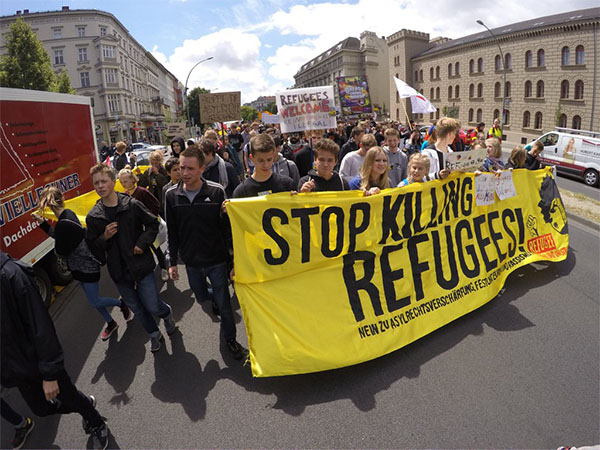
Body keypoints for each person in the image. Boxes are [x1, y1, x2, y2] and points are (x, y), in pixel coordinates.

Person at [1, 250, 109, 449]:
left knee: (69, 397)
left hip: (40, 363)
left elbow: (40, 326)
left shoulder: (12, 275)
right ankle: (84, 404)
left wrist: (50, 373)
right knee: (41, 409)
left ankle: (95, 421)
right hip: (18, 369)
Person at [164, 146, 244, 360]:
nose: (185, 173)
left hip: (217, 261)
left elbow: (228, 228)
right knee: (201, 297)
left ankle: (230, 340)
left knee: (225, 306)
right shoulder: (171, 195)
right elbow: (172, 231)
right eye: (182, 168)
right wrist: (172, 262)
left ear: (202, 168)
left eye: (190, 168)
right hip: (191, 263)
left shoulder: (217, 191)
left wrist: (234, 257)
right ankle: (215, 299)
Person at [86, 164, 176, 352]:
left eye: (103, 181)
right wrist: (105, 237)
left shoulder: (131, 204)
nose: (100, 186)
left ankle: (166, 313)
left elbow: (153, 224)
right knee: (137, 308)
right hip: (119, 272)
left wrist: (142, 244)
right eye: (96, 183)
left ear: (113, 182)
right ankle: (154, 334)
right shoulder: (94, 216)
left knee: (153, 305)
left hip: (140, 265)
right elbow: (93, 246)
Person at [32, 187, 132, 341]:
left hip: (87, 269)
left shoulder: (63, 224)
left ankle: (121, 303)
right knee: (94, 301)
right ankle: (111, 322)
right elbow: (59, 237)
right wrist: (43, 224)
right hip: (79, 269)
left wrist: (49, 230)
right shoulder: (67, 216)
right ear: (62, 199)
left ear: (50, 206)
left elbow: (60, 251)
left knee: (95, 301)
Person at [118, 169, 170, 282]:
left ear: (133, 179)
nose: (123, 184)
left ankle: (163, 268)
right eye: (121, 182)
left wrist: (148, 220)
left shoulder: (142, 192)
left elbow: (156, 205)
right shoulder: (125, 195)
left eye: (125, 181)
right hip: (137, 229)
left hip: (148, 228)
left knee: (156, 248)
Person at [233, 133, 296, 198]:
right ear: (252, 158)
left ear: (273, 155)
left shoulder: (287, 185)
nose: (266, 165)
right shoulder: (241, 192)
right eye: (261, 161)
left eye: (269, 160)